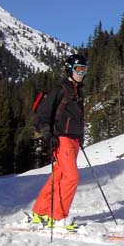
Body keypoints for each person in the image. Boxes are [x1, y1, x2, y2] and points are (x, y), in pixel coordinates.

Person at [31, 53, 88, 229]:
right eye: (78, 69)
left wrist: (80, 136)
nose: (81, 73)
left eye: (84, 69)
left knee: (59, 176)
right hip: (62, 140)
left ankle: (40, 211)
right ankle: (57, 217)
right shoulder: (60, 89)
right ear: (70, 69)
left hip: (73, 141)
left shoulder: (77, 91)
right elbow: (42, 115)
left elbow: (75, 118)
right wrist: (48, 135)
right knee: (72, 178)